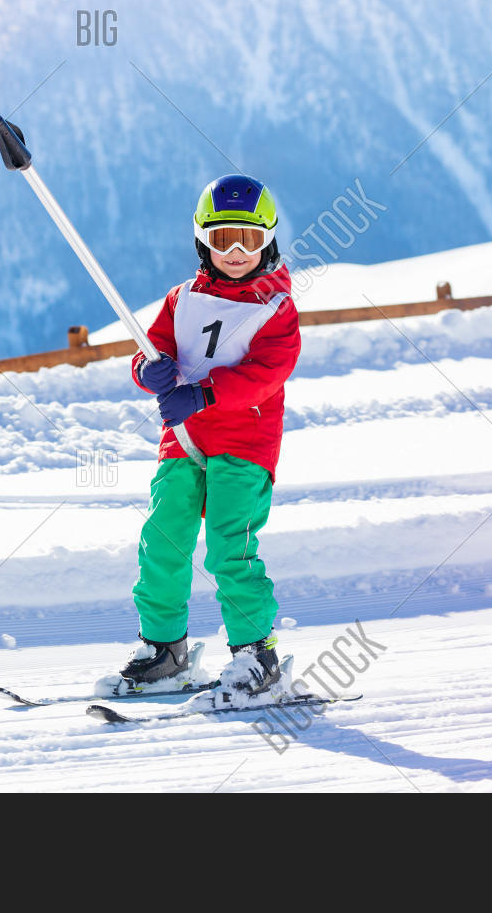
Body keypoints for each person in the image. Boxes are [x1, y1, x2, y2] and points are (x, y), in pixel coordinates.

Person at [113, 173, 301, 699]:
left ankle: (254, 655)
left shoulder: (276, 308)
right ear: (202, 240)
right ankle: (164, 648)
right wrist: (146, 369)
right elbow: (151, 348)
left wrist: (205, 394)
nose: (236, 252)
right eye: (223, 239)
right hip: (185, 441)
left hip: (244, 442)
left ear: (268, 240)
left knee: (228, 546)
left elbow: (269, 371)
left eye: (249, 238)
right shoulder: (182, 299)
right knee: (163, 539)